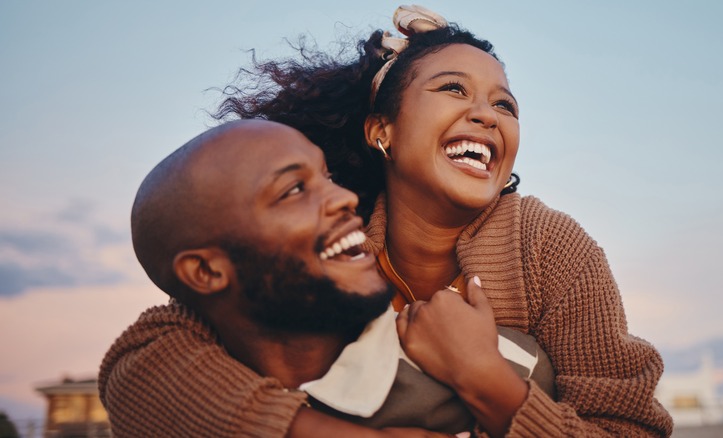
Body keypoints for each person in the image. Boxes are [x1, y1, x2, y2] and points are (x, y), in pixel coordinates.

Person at [106, 4, 673, 437]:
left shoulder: (550, 247)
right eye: (453, 89)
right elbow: (142, 365)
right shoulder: (328, 235)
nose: (486, 114)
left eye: (506, 105)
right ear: (383, 131)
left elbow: (629, 428)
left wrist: (485, 378)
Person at [99, 119, 555, 437]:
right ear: (206, 272)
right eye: (294, 190)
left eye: (327, 176)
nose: (343, 198)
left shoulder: (508, 365)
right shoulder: (177, 397)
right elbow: (132, 368)